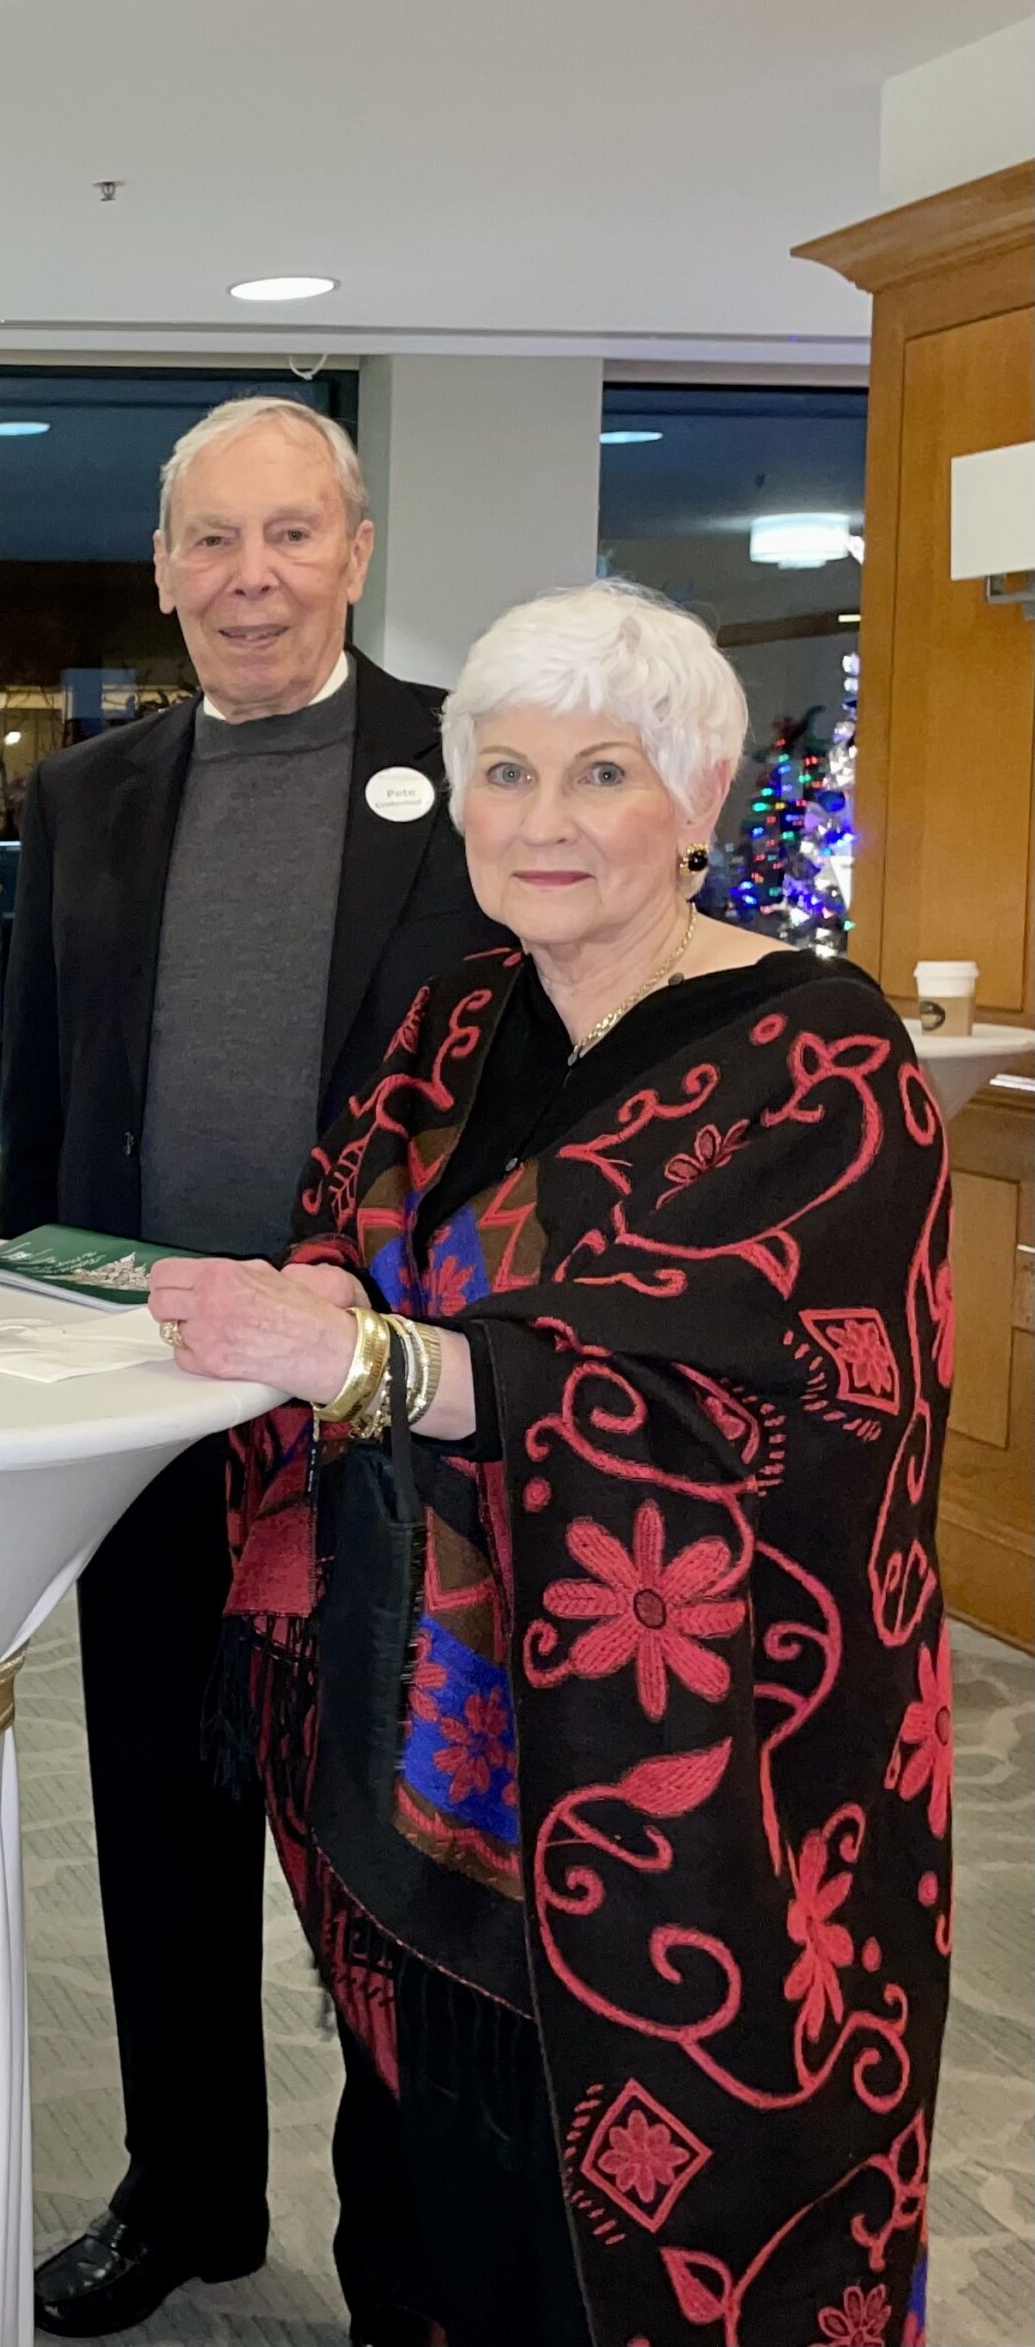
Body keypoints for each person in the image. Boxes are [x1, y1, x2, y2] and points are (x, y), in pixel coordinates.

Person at [152, 580, 952, 2347]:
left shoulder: (821, 1052)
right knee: (426, 2152)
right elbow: (345, 1243)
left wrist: (376, 1358)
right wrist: (303, 1309)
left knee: (641, 2222)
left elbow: (755, 1384)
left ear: (701, 797)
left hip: (690, 1772)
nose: (540, 822)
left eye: (601, 775)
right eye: (500, 773)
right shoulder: (454, 1018)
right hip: (423, 1711)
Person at [0, 394, 497, 2337]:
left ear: (354, 553)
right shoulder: (88, 795)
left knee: (382, 1853)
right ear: (160, 572)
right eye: (210, 543)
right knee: (154, 1820)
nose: (249, 577)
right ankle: (183, 2189)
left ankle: (399, 2255)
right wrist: (42, 1352)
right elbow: (38, 1109)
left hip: (370, 1414)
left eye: (288, 536)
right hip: (146, 1396)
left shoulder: (463, 775)